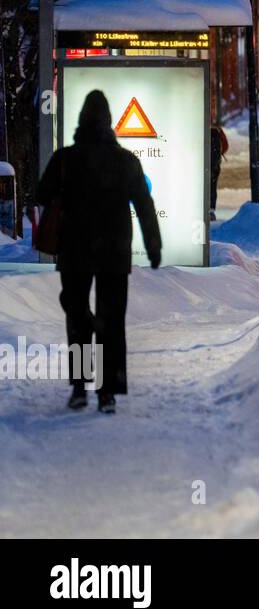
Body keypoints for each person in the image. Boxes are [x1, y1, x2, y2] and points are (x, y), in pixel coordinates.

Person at [35, 91, 162, 414]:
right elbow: (145, 207)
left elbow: (40, 196)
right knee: (112, 320)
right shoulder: (125, 160)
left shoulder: (65, 159)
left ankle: (79, 388)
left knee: (77, 318)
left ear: (81, 121)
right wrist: (153, 246)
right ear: (108, 124)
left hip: (74, 251)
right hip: (115, 253)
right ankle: (107, 392)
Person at [209, 122, 228, 218]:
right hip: (215, 164)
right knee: (212, 186)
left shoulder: (200, 129)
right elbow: (225, 146)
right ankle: (211, 210)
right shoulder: (218, 130)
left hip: (204, 163)